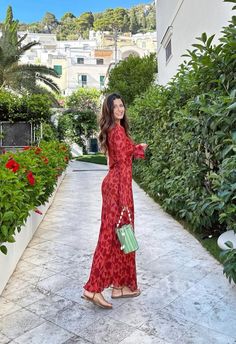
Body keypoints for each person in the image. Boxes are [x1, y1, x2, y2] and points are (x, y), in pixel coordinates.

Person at [82, 93, 148, 309]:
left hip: (119, 188)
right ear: (109, 110)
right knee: (110, 238)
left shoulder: (117, 130)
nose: (120, 109)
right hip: (117, 190)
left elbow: (123, 157)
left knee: (123, 237)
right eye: (115, 106)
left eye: (122, 105)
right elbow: (121, 163)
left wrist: (137, 148)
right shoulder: (116, 131)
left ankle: (120, 286)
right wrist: (123, 202)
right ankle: (92, 288)